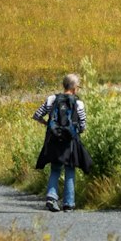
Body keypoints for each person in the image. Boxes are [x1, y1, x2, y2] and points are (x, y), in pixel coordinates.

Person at [32, 73, 90, 211]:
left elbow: (37, 115)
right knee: (70, 170)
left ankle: (51, 198)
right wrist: (74, 132)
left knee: (55, 168)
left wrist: (47, 124)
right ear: (75, 87)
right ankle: (69, 204)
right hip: (70, 142)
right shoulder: (78, 103)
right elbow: (83, 125)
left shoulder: (52, 99)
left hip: (54, 139)